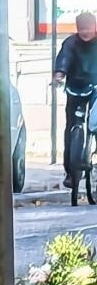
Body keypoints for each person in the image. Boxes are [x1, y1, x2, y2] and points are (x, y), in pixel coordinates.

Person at [54, 11, 97, 186]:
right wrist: (59, 74)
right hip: (76, 88)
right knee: (71, 127)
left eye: (88, 29)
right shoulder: (71, 43)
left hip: (96, 88)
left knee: (96, 123)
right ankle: (71, 172)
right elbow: (65, 57)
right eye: (81, 29)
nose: (85, 32)